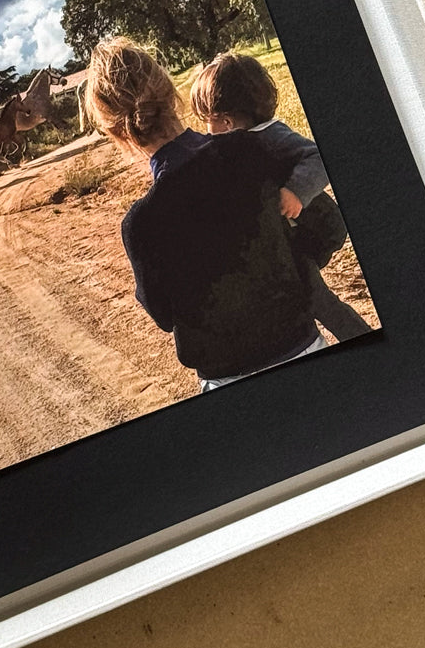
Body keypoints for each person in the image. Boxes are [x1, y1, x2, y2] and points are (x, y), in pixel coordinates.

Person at [84, 37, 327, 391]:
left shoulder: (141, 224)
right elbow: (325, 226)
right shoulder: (251, 149)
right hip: (302, 345)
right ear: (170, 93)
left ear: (118, 133)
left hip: (227, 377)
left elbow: (164, 317)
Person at [190, 53, 372, 342]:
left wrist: (295, 191)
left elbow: (318, 157)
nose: (206, 133)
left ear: (226, 122)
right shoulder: (241, 142)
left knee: (315, 296)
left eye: (207, 123)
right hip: (291, 236)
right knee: (301, 292)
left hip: (316, 230)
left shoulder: (271, 137)